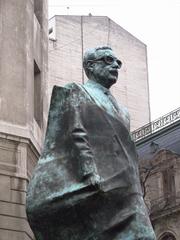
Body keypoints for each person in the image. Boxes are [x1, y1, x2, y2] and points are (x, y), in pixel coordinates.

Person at [26, 46, 156, 240]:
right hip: (94, 183)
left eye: (117, 62)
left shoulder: (124, 112)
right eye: (107, 60)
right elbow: (74, 134)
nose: (115, 66)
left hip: (126, 189)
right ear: (90, 66)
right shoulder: (75, 91)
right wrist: (89, 171)